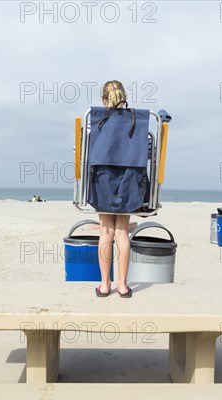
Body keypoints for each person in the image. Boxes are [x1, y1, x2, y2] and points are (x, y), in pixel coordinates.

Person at [93, 80, 134, 298]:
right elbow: (146, 150)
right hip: (128, 179)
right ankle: (123, 286)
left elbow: (83, 149)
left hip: (103, 179)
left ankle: (104, 285)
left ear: (103, 100)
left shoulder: (97, 122)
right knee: (122, 233)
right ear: (124, 97)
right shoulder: (136, 121)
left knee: (106, 231)